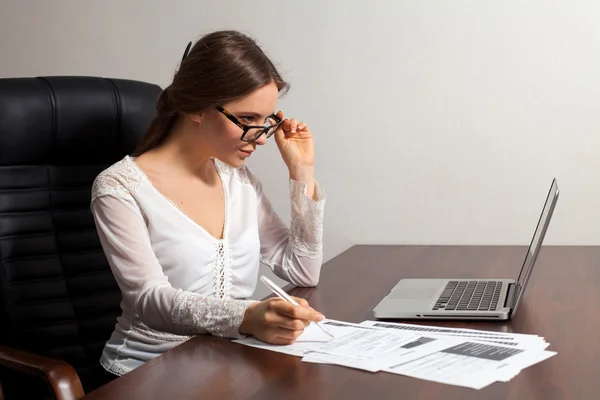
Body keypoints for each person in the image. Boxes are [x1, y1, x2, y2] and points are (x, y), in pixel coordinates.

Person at [90, 30, 327, 377]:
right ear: (197, 108)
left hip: (231, 366)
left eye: (267, 121)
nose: (261, 137)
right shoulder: (119, 189)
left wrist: (301, 170)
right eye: (247, 120)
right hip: (145, 373)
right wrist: (246, 317)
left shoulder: (240, 182)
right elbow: (149, 300)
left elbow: (302, 270)